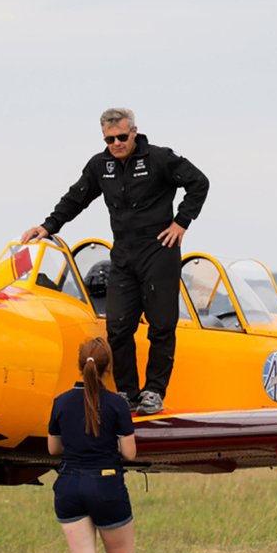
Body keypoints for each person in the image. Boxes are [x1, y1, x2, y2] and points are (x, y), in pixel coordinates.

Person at [22, 107, 209, 416]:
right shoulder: (101, 165)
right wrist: (48, 226)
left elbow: (199, 182)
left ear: (134, 132)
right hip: (123, 254)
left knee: (161, 326)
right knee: (118, 327)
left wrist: (181, 223)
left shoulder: (160, 159)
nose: (117, 144)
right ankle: (127, 392)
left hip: (159, 250)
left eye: (122, 137)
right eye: (110, 139)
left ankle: (154, 392)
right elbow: (76, 197)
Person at [47, 337, 137, 553]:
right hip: (106, 484)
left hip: (69, 484)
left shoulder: (60, 402)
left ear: (78, 365)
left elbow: (52, 447)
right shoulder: (117, 403)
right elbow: (129, 453)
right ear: (108, 367)